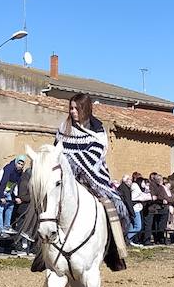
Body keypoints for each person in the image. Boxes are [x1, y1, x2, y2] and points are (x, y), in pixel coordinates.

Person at [54, 93, 129, 268]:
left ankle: (114, 252)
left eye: (76, 108)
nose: (72, 112)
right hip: (66, 178)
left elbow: (96, 155)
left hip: (93, 179)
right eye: (71, 108)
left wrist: (71, 159)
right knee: (46, 204)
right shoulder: (64, 127)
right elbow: (56, 149)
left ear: (85, 108)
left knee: (113, 208)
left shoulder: (97, 128)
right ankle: (41, 252)